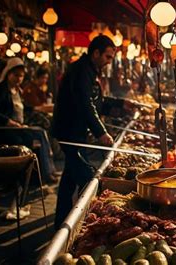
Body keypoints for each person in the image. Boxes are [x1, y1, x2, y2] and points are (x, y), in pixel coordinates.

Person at [52, 35, 131, 229]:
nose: (109, 61)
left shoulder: (90, 69)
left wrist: (122, 104)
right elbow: (84, 104)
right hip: (70, 131)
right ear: (96, 53)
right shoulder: (81, 70)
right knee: (87, 180)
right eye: (108, 57)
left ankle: (60, 220)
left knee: (69, 178)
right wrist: (101, 132)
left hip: (76, 132)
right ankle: (84, 225)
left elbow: (98, 103)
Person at [0, 57, 57, 183]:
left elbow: (24, 108)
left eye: (21, 76)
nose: (19, 78)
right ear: (8, 73)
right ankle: (46, 173)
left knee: (42, 131)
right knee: (39, 133)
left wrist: (38, 108)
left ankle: (48, 170)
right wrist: (11, 122)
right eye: (16, 75)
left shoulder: (17, 90)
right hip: (3, 129)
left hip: (17, 127)